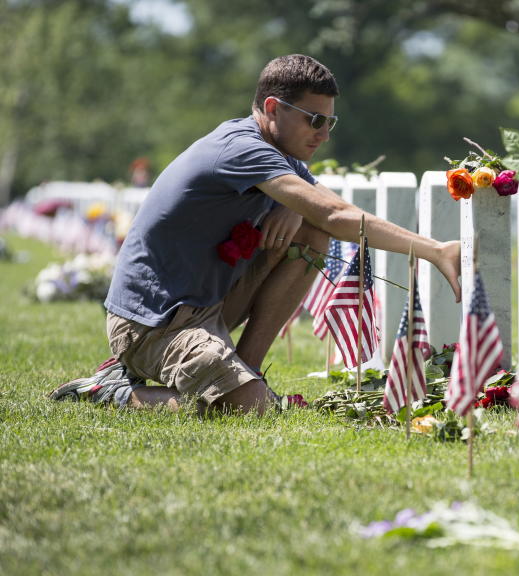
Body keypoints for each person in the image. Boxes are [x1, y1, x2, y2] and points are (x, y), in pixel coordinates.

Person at [49, 54, 462, 415]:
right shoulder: (240, 148)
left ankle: (246, 372)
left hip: (208, 306)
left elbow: (326, 211)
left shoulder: (280, 155)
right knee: (246, 409)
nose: (324, 133)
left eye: (330, 121)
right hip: (155, 322)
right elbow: (336, 214)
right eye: (314, 120)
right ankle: (114, 392)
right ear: (271, 108)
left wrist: (293, 208)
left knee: (312, 232)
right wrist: (435, 251)